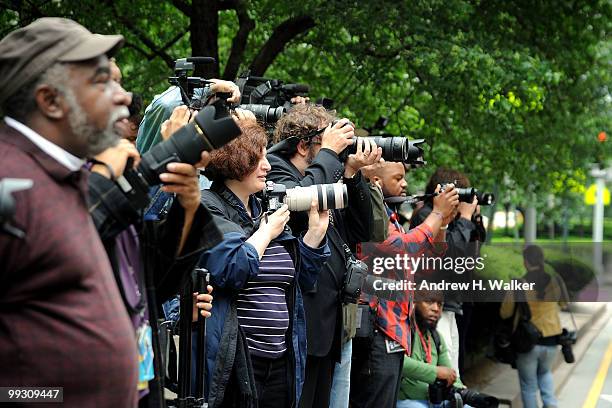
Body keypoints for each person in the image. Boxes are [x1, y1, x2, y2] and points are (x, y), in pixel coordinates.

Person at [0, 18, 138, 406]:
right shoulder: (9, 184)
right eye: (100, 81)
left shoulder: (62, 173)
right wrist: (43, 397)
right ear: (51, 101)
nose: (123, 96)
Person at [198, 111, 331, 407]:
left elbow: (300, 282)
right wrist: (267, 232)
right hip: (237, 359)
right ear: (235, 159)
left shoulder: (263, 209)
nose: (268, 166)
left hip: (280, 359)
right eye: (259, 158)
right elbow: (234, 268)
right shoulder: (210, 206)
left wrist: (314, 235)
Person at [268, 103, 380, 408]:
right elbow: (297, 207)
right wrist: (330, 155)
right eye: (328, 141)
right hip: (300, 329)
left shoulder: (328, 175)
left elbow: (361, 230)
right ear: (305, 145)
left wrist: (353, 173)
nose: (338, 149)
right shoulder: (277, 170)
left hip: (330, 326)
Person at [350, 161, 458, 408]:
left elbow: (426, 267)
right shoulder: (373, 218)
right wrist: (437, 213)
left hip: (395, 333)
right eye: (398, 178)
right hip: (377, 332)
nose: (405, 184)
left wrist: (443, 224)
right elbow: (403, 251)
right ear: (376, 181)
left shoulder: (393, 218)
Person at [410, 167, 486, 376]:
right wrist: (465, 219)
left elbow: (470, 257)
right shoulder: (427, 215)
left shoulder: (454, 218)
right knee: (445, 366)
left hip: (450, 302)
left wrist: (474, 220)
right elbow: (451, 255)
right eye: (460, 194)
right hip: (434, 302)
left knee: (454, 365)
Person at [500, 245, 566, 408]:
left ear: (525, 262)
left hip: (527, 342)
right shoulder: (555, 281)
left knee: (528, 385)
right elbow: (564, 303)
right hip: (552, 339)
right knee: (545, 374)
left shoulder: (518, 284)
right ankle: (551, 404)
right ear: (542, 260)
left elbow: (505, 313)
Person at [397, 291, 470, 408]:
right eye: (429, 302)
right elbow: (398, 362)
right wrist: (435, 372)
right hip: (406, 400)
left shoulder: (436, 337)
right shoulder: (402, 331)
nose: (436, 309)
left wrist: (463, 391)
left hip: (434, 401)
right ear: (414, 302)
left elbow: (450, 373)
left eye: (440, 305)